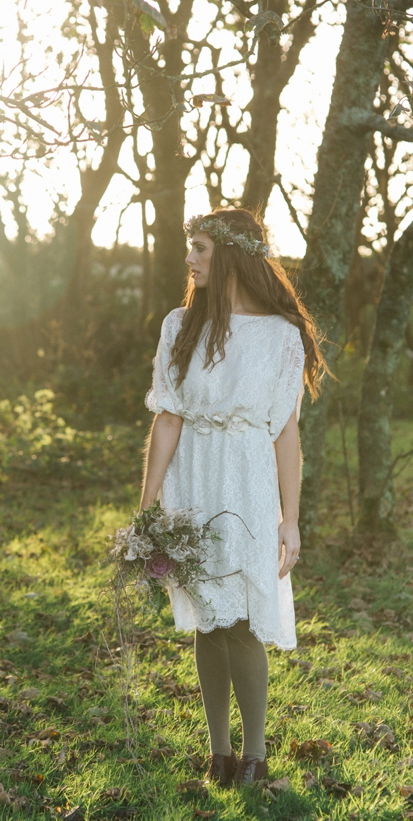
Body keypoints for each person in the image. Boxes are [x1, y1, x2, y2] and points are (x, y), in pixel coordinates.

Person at [141, 208, 327, 787]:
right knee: (208, 619)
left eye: (198, 247)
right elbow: (168, 418)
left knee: (242, 619)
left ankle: (254, 755)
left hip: (246, 482)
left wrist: (289, 521)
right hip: (193, 478)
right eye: (189, 247)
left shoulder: (281, 336)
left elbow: (285, 432)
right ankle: (217, 754)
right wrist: (148, 509)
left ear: (229, 254)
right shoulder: (181, 325)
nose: (189, 258)